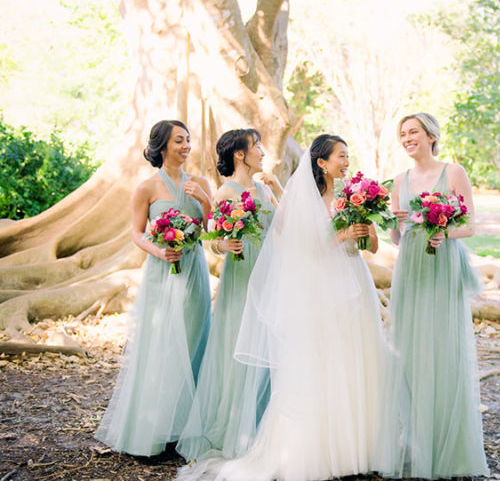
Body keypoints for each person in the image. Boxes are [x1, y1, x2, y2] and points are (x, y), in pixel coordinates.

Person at [177, 134, 388, 480]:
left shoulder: (355, 197)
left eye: (348, 156)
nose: (346, 162)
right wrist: (344, 236)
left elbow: (373, 246)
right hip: (324, 288)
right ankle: (320, 448)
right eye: (341, 156)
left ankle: (357, 446)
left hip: (356, 284)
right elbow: (308, 246)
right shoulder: (307, 199)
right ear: (322, 162)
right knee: (323, 361)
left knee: (356, 359)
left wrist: (366, 232)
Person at [380, 112, 489, 478]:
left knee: (443, 348)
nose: (407, 138)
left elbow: (470, 226)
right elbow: (398, 239)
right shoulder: (400, 180)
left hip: (442, 269)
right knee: (409, 352)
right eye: (403, 134)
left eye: (413, 132)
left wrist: (445, 234)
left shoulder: (453, 172)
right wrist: (396, 224)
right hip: (411, 271)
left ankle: (450, 444)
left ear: (430, 136)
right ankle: (416, 439)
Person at [95, 119, 213, 456]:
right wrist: (159, 250)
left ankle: (185, 431)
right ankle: (155, 431)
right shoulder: (146, 188)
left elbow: (214, 226)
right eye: (179, 140)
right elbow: (136, 233)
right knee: (162, 344)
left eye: (188, 140)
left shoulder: (199, 183)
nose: (186, 146)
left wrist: (204, 199)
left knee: (193, 340)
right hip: (163, 271)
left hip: (193, 269)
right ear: (162, 146)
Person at [177, 129, 279, 461]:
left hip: (269, 276)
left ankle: (267, 428)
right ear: (240, 154)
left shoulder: (263, 188)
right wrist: (225, 244)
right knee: (240, 344)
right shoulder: (224, 192)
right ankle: (237, 430)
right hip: (241, 277)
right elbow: (211, 239)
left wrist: (279, 192)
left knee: (267, 344)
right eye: (257, 146)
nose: (262, 152)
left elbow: (281, 226)